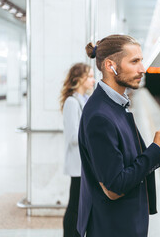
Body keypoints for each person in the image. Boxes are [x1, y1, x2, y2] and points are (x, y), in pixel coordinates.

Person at [77, 34, 160, 237]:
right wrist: (157, 150)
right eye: (134, 61)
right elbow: (114, 187)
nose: (142, 69)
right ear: (110, 65)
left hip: (123, 223)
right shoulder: (100, 115)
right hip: (112, 227)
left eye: (141, 61)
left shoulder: (115, 105)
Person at [60, 63, 95, 237]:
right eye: (89, 77)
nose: (93, 80)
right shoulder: (72, 102)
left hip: (85, 165)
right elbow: (73, 137)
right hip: (77, 165)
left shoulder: (86, 100)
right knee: (75, 206)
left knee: (81, 206)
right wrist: (94, 137)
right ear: (79, 79)